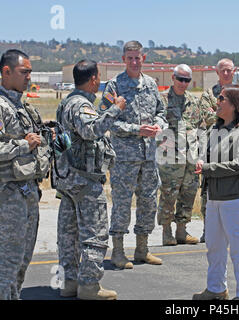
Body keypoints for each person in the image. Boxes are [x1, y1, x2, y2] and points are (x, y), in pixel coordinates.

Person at [55, 60, 127, 300]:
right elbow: (91, 130)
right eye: (98, 78)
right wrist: (115, 109)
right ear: (94, 79)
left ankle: (70, 282)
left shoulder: (66, 103)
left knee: (69, 234)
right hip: (84, 180)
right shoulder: (81, 105)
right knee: (94, 234)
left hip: (67, 179)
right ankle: (89, 286)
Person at [0, 49, 52, 299]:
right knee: (6, 263)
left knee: (22, 261)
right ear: (6, 72)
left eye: (30, 73)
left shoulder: (22, 106)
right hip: (9, 193)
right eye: (24, 73)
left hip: (28, 192)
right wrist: (24, 145)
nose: (28, 78)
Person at [99, 41, 168, 268]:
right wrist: (135, 130)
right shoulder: (114, 85)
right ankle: (118, 251)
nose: (134, 62)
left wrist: (158, 125)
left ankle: (142, 249)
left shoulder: (150, 84)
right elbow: (106, 120)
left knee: (149, 201)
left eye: (137, 57)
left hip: (148, 156)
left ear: (144, 58)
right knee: (122, 202)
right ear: (123, 59)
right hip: (124, 157)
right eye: (130, 58)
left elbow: (161, 111)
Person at [193, 84, 239, 300]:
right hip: (215, 197)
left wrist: (208, 168)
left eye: (222, 99)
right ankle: (216, 289)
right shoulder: (215, 129)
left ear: (234, 104)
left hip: (238, 198)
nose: (217, 102)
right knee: (214, 248)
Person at [157, 64, 212, 245]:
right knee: (168, 194)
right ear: (172, 78)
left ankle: (182, 230)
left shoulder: (193, 101)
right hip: (170, 158)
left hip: (190, 157)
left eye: (187, 80)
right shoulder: (162, 100)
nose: (183, 83)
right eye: (180, 79)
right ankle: (167, 232)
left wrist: (201, 156)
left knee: (188, 193)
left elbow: (201, 128)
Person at [198, 58, 235, 242]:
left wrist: (219, 112)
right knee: (209, 191)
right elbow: (209, 117)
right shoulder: (208, 94)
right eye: (223, 70)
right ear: (217, 72)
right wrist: (230, 114)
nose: (226, 73)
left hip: (234, 150)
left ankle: (230, 231)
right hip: (213, 149)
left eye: (229, 70)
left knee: (234, 190)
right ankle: (209, 230)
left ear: (233, 72)